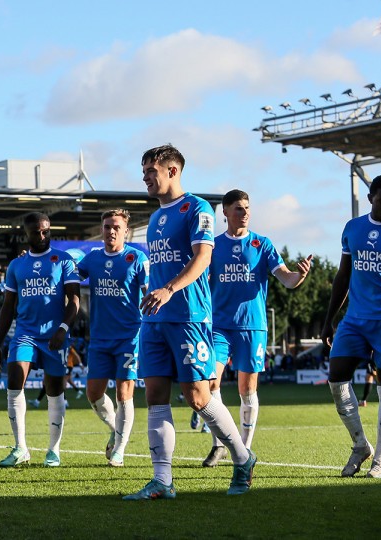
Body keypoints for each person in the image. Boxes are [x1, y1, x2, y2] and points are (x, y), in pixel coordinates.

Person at [124, 144, 255, 500]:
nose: (145, 177)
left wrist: (168, 289)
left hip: (189, 316)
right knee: (154, 395)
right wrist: (154, 293)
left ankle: (243, 457)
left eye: (151, 170)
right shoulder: (154, 217)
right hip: (154, 319)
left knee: (198, 397)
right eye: (144, 171)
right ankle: (162, 481)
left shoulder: (196, 209)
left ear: (172, 171)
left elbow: (202, 258)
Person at [199, 189, 312, 466]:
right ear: (225, 212)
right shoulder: (212, 246)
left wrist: (299, 276)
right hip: (219, 326)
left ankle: (244, 452)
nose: (245, 213)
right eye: (238, 208)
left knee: (247, 389)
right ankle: (220, 444)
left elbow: (286, 279)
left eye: (247, 208)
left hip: (253, 326)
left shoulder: (262, 244)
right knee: (209, 383)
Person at [0, 212, 81, 468]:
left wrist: (63, 328)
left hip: (55, 335)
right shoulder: (16, 266)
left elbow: (74, 299)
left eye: (46, 231)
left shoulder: (64, 261)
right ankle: (20, 447)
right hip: (25, 334)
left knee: (55, 391)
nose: (42, 236)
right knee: (14, 381)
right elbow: (8, 308)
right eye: (36, 232)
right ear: (26, 234)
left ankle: (53, 450)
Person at [322, 174, 381, 478]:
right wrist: (329, 319)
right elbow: (343, 276)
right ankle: (361, 445)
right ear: (372, 197)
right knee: (337, 378)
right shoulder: (353, 228)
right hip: (355, 320)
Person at [76, 209, 149, 467]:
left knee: (123, 392)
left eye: (116, 227)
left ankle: (119, 449)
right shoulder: (92, 259)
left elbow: (149, 292)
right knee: (93, 393)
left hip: (129, 337)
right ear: (102, 229)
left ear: (126, 230)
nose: (111, 231)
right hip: (99, 339)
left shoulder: (137, 258)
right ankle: (115, 428)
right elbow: (69, 276)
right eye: (107, 226)